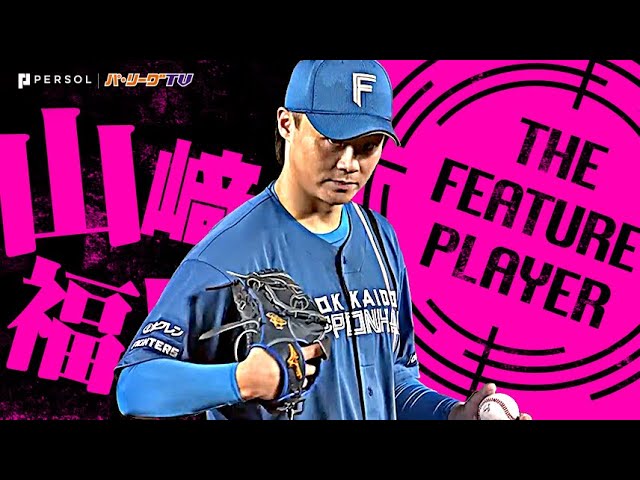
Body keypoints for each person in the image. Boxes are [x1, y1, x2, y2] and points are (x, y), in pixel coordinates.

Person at [114, 60, 532, 420]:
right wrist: (240, 380)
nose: (349, 164)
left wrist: (450, 413)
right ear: (287, 124)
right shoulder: (229, 254)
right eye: (333, 141)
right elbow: (134, 388)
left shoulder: (380, 238)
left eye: (367, 146)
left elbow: (390, 375)